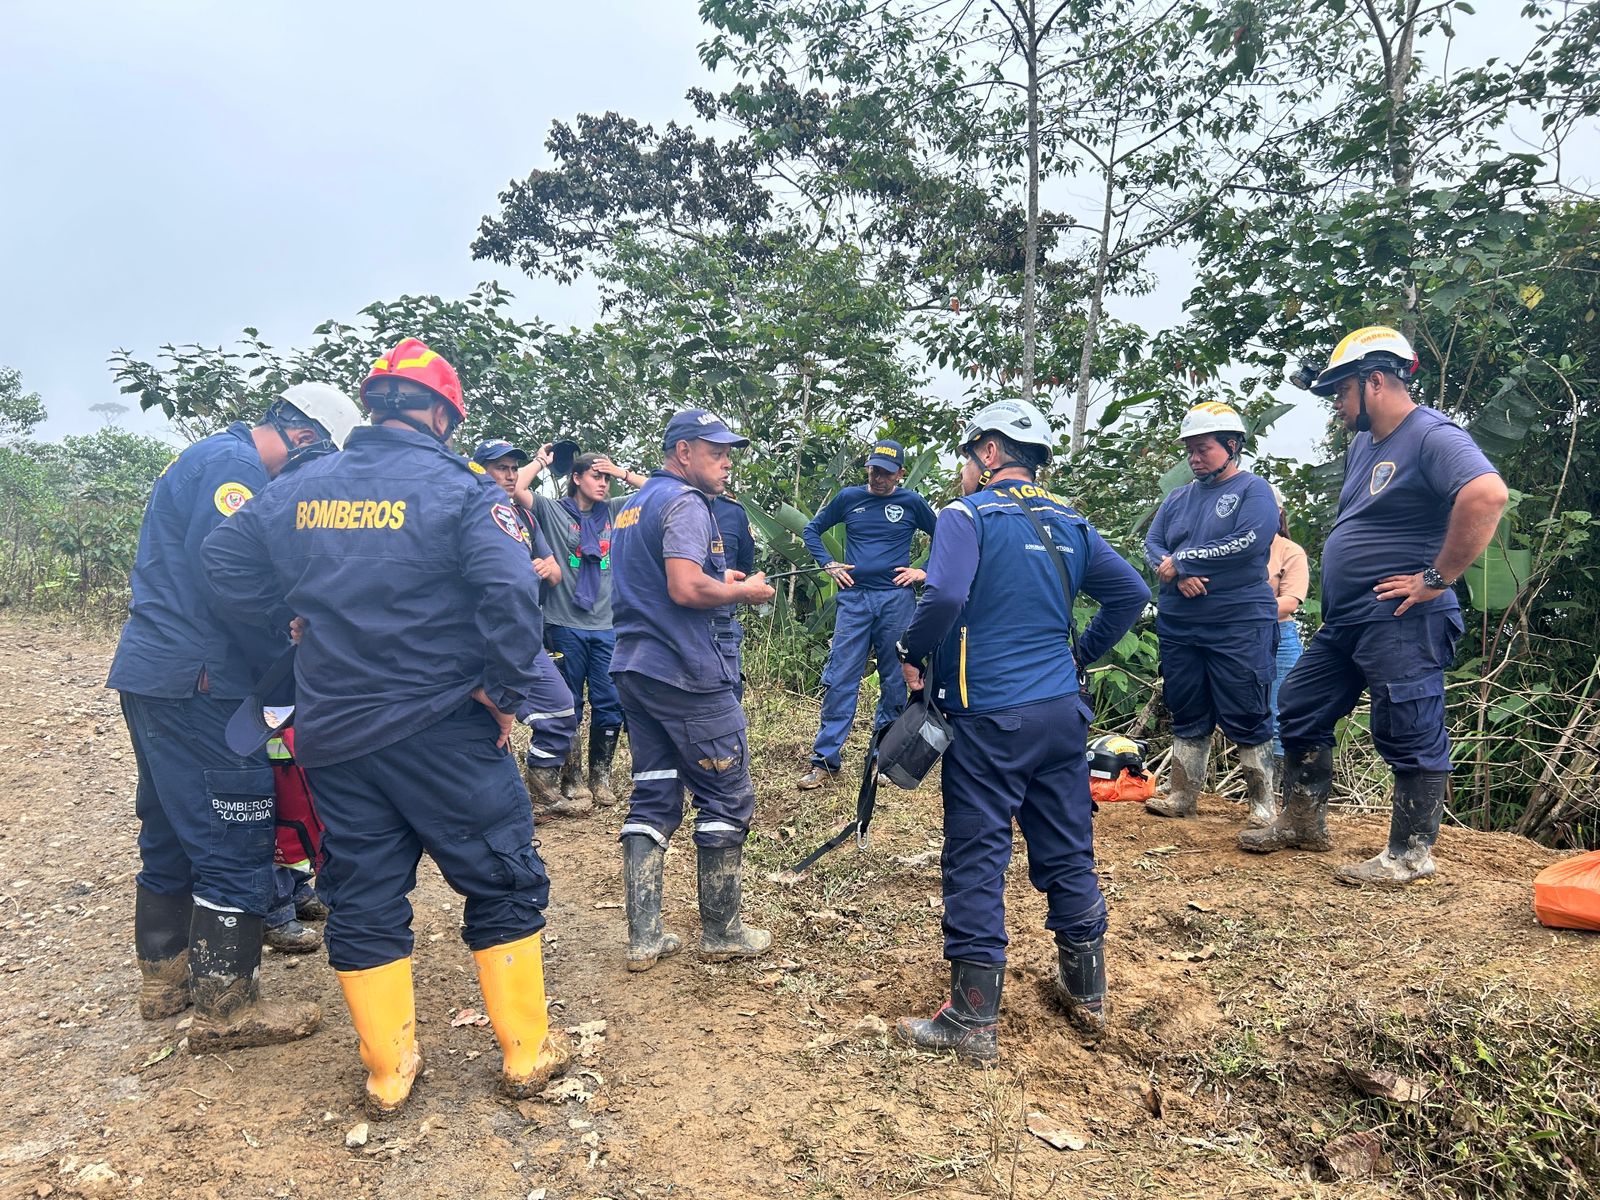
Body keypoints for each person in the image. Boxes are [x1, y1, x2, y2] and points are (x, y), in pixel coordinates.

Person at [202, 338, 576, 1116]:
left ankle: (388, 1070)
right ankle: (525, 1054)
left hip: (335, 731)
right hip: (444, 726)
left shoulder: (302, 487)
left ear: (373, 405)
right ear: (443, 412)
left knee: (364, 893)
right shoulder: (465, 491)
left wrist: (290, 625)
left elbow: (224, 559)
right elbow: (511, 596)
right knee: (501, 875)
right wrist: (505, 695)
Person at [893, 399, 1149, 1062]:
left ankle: (973, 1017)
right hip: (1062, 714)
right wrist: (1079, 655)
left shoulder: (966, 515)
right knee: (1066, 845)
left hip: (989, 716)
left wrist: (909, 653)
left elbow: (944, 597)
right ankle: (1085, 988)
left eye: (967, 455)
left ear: (987, 452)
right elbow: (1128, 594)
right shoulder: (1072, 522)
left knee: (977, 853)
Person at [109, 382, 360, 1052]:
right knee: (236, 828)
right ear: (307, 438)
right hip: (200, 678)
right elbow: (231, 576)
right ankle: (227, 1008)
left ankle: (165, 979)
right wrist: (291, 636)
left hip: (156, 671)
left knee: (167, 823)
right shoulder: (236, 469)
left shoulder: (207, 454)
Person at [1242, 326, 1507, 885]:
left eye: (1341, 391)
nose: (1337, 404)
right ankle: (1304, 822)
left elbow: (1486, 493)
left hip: (1402, 616)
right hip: (1348, 619)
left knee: (1408, 724)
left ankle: (1410, 854)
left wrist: (1437, 577)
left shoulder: (1431, 434)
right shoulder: (1366, 443)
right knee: (1300, 702)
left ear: (1376, 381)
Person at [609, 409, 776, 972]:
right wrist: (746, 593)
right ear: (683, 452)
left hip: (634, 667)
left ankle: (644, 936)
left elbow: (662, 579)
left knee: (653, 792)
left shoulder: (634, 505)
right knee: (726, 794)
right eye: (716, 452)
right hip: (685, 670)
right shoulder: (686, 503)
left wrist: (719, 579)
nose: (727, 463)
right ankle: (723, 930)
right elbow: (682, 588)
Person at [1143, 403, 1280, 827]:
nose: (1194, 458)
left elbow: (1251, 541)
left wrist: (1184, 560)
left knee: (1247, 706)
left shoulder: (1254, 490)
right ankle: (1183, 794)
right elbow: (1153, 543)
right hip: (1181, 621)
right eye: (1190, 450)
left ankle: (1263, 803)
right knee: (1186, 704)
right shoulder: (1178, 497)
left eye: (1203, 449)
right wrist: (1177, 573)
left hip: (1238, 620)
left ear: (1232, 445)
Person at [797, 439, 938, 789]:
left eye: (887, 473)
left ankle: (882, 756)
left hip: (896, 600)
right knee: (841, 674)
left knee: (894, 679)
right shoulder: (848, 498)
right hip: (854, 599)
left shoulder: (912, 502)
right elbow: (811, 529)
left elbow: (947, 537)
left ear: (901, 474)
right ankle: (825, 760)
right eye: (874, 470)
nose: (878, 479)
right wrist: (827, 563)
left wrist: (925, 572)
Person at [515, 446, 648, 813]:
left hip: (607, 625)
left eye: (606, 478)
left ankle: (600, 776)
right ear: (576, 478)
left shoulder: (617, 510)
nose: (602, 484)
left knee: (609, 702)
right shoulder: (552, 510)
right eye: (596, 476)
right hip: (563, 622)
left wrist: (621, 471)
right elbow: (513, 490)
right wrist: (541, 462)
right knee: (569, 702)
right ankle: (572, 779)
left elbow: (656, 492)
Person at [468, 438, 575, 813]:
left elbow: (557, 571)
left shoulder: (523, 517)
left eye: (515, 468)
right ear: (479, 470)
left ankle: (540, 789)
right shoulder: (469, 511)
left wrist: (548, 568)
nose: (511, 474)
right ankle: (502, 802)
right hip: (477, 638)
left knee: (562, 709)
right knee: (484, 724)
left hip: (524, 635)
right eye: (502, 467)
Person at [1266, 484, 1309, 776]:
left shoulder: (1289, 551)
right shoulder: (1235, 548)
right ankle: (1259, 792)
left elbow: (1289, 602)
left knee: (1281, 715)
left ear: (1278, 512)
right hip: (1239, 640)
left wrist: (1243, 612)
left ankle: (1280, 790)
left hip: (1279, 638)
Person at [711, 493, 756, 704]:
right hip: (675, 623)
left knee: (728, 698)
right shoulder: (666, 503)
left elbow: (744, 566)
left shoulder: (733, 512)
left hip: (722, 623)